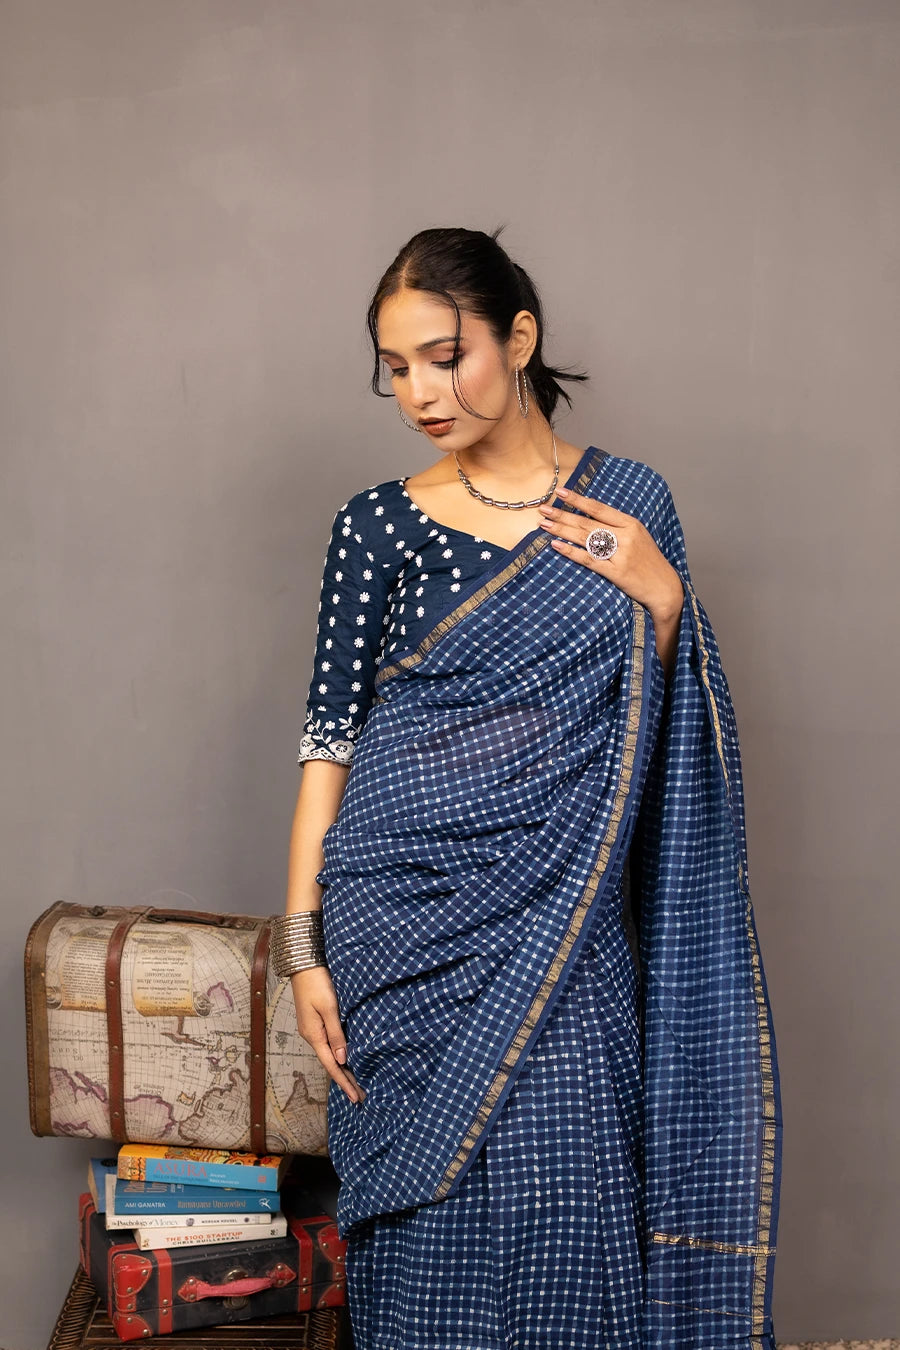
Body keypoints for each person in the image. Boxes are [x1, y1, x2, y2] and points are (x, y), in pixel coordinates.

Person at [273, 227, 783, 1349]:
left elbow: (662, 733)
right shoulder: (375, 527)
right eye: (396, 367)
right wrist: (303, 941)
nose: (420, 391)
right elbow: (329, 740)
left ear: (520, 337)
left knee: (572, 1187)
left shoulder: (632, 504)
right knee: (422, 1215)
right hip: (395, 921)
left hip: (564, 908)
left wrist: (663, 609)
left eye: (445, 355)